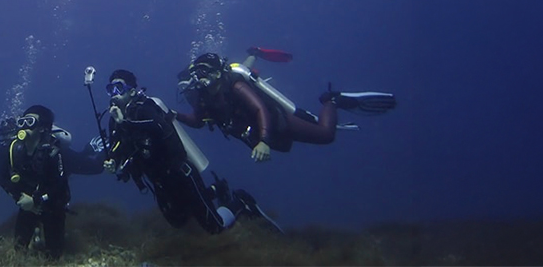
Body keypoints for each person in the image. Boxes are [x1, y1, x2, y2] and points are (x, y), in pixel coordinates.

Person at [101, 70, 280, 234]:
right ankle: (217, 189)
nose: (114, 94)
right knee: (180, 220)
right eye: (111, 89)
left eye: (119, 88)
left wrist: (126, 123)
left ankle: (240, 201)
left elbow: (160, 128)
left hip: (181, 175)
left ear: (132, 91)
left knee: (215, 227)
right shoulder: (115, 121)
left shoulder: (145, 107)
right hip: (158, 181)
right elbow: (118, 146)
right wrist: (114, 162)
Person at [176, 47, 397, 162]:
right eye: (198, 76)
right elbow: (197, 121)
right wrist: (173, 114)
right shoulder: (204, 96)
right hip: (259, 131)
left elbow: (260, 109)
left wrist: (263, 141)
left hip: (276, 122)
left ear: (217, 73)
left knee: (326, 135)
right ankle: (254, 54)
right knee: (246, 69)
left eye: (205, 75)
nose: (200, 81)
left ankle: (331, 100)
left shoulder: (235, 86)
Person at [0, 105, 103, 259]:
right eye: (21, 122)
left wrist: (37, 200)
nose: (23, 127)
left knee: (94, 167)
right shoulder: (13, 150)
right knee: (18, 248)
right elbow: (2, 176)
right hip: (28, 202)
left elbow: (60, 184)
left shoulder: (54, 151)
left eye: (29, 122)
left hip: (52, 204)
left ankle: (96, 151)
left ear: (42, 128)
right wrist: (19, 198)